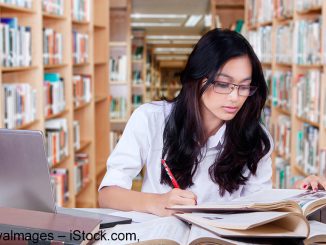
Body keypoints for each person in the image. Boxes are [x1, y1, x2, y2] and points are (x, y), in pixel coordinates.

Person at [99, 28, 326, 216]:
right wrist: (154, 202)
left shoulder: (256, 138)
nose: (235, 97)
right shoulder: (150, 118)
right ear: (197, 79)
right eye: (224, 84)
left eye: (244, 86)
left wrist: (296, 196)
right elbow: (107, 195)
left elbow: (258, 205)